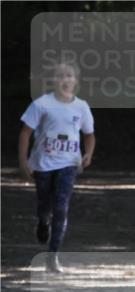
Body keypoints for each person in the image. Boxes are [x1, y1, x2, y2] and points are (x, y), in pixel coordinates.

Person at [18, 61, 96, 273]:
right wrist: (23, 160)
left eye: (69, 76)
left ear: (76, 81)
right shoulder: (42, 104)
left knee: (61, 208)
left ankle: (53, 257)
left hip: (69, 163)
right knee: (45, 204)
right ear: (54, 80)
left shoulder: (81, 107)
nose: (65, 80)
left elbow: (89, 135)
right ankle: (43, 221)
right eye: (61, 76)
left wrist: (88, 154)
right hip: (43, 164)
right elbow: (25, 132)